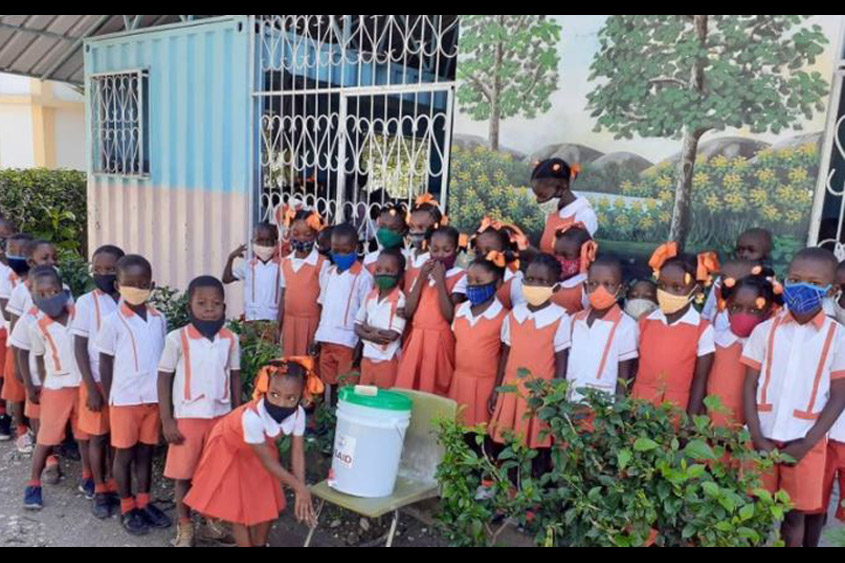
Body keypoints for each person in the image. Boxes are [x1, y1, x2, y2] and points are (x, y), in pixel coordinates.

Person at [742, 247, 845, 547]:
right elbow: (749, 385)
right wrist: (756, 436)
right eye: (795, 279)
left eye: (814, 283)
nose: (802, 288)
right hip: (761, 436)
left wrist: (807, 443)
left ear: (832, 290)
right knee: (754, 510)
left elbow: (839, 395)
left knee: (794, 517)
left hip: (806, 442)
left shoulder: (838, 337)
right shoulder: (764, 331)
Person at [184, 358, 318, 548]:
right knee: (239, 507)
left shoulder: (298, 414)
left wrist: (300, 488)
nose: (281, 403)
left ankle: (260, 543)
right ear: (265, 388)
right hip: (229, 449)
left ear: (302, 396)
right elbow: (268, 463)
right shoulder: (251, 418)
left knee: (268, 500)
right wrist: (298, 487)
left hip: (260, 447)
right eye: (274, 394)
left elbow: (297, 452)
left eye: (291, 398)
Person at [159, 275, 241, 547]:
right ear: (189, 306)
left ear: (224, 307)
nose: (209, 309)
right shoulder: (177, 338)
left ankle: (212, 522)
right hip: (187, 418)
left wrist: (236, 417)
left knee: (216, 474)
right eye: (202, 303)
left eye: (216, 304)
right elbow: (164, 378)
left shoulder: (231, 339)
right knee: (183, 475)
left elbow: (235, 377)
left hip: (220, 418)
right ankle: (185, 526)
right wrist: (167, 420)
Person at [97, 255, 171, 536]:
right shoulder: (112, 322)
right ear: (118, 285)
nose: (137, 288)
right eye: (130, 283)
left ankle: (144, 501)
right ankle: (127, 506)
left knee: (145, 452)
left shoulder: (159, 318)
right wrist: (109, 396)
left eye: (142, 283)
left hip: (152, 398)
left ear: (151, 284)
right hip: (124, 399)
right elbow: (105, 362)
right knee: (124, 454)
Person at [488, 254, 570, 473]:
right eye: (530, 279)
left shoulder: (560, 318)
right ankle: (506, 484)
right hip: (511, 389)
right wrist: (497, 388)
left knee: (536, 443)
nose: (535, 285)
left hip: (539, 394)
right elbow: (505, 354)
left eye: (543, 281)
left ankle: (532, 487)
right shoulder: (514, 314)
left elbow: (561, 362)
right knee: (506, 440)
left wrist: (556, 397)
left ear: (555, 286)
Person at [20, 266, 89, 510]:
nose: (50, 297)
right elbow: (38, 356)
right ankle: (33, 484)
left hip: (81, 385)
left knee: (84, 434)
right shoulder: (37, 326)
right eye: (42, 294)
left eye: (54, 291)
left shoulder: (80, 315)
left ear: (64, 290)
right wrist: (39, 383)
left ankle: (88, 477)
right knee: (46, 437)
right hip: (56, 387)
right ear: (34, 297)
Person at [631, 243, 717, 416]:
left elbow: (700, 380)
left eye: (677, 288)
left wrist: (689, 420)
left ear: (696, 290)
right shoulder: (645, 322)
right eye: (662, 286)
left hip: (676, 409)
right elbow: (633, 366)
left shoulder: (702, 329)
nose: (667, 293)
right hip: (639, 403)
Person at [71, 244, 124, 518]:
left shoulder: (130, 300)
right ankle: (100, 487)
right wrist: (91, 387)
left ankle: (115, 483)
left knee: (118, 437)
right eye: (98, 269)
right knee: (98, 437)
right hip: (96, 381)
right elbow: (80, 346)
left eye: (110, 269)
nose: (103, 274)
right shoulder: (85, 302)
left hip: (123, 384)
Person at [395, 225, 467, 395]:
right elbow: (408, 311)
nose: (440, 255)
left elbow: (450, 316)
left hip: (440, 341)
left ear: (456, 250)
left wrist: (441, 281)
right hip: (417, 338)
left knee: (433, 390)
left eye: (446, 250)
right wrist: (421, 279)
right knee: (409, 387)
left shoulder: (461, 276)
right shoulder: (423, 274)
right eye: (435, 250)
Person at [706, 269, 778, 429]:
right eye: (736, 307)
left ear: (768, 312)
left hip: (749, 429)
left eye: (753, 310)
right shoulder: (714, 340)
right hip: (711, 426)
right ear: (727, 306)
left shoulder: (769, 349)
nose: (743, 315)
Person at [448, 251, 508, 426]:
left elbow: (505, 355)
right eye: (469, 281)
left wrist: (497, 389)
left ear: (498, 283)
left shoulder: (503, 317)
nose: (473, 286)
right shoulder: (460, 310)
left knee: (479, 430)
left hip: (486, 384)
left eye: (479, 281)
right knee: (455, 427)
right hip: (459, 381)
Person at [567, 256, 638, 401]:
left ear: (621, 290)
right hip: (569, 401)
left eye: (608, 284)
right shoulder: (573, 321)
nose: (600, 289)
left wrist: (618, 408)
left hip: (603, 406)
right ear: (585, 287)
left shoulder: (626, 326)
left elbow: (624, 375)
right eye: (593, 283)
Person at [313, 223, 373, 394]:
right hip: (326, 338)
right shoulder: (328, 273)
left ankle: (340, 409)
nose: (339, 255)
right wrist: (317, 336)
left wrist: (359, 345)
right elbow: (323, 305)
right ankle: (328, 408)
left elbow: (366, 313)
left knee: (345, 384)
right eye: (335, 250)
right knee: (327, 382)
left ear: (356, 248)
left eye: (345, 251)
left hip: (348, 341)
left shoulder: (363, 277)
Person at [279, 209, 329, 357]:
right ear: (289, 233)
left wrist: (319, 334)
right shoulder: (285, 262)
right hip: (289, 323)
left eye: (307, 234)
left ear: (315, 236)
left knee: (308, 364)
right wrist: (278, 326)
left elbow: (324, 302)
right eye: (296, 233)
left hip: (311, 324)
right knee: (289, 364)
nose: (301, 238)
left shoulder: (321, 264)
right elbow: (283, 295)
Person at [354, 248, 406, 388]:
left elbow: (392, 335)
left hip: (387, 360)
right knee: (365, 394)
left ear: (400, 275)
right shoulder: (370, 296)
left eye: (389, 271)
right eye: (378, 269)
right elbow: (357, 326)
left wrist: (367, 328)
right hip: (367, 357)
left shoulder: (400, 300)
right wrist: (370, 335)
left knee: (384, 396)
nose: (382, 274)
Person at [0, 233, 32, 446]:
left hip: (39, 343)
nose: (16, 255)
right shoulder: (7, 277)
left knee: (34, 387)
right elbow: (7, 311)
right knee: (17, 390)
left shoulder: (42, 277)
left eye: (22, 252)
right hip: (16, 341)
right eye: (12, 251)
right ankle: (21, 431)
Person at [531, 158, 597, 254]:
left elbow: (580, 257)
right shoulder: (552, 210)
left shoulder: (584, 215)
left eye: (543, 196)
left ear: (563, 187)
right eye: (537, 195)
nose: (539, 201)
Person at [223, 222, 281, 326]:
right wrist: (231, 258)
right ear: (253, 242)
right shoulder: (248, 265)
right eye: (260, 240)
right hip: (252, 319)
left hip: (273, 320)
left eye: (268, 241)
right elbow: (226, 279)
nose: (264, 245)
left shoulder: (282, 266)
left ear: (276, 243)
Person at [471, 217, 527, 309]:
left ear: (504, 251)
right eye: (478, 251)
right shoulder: (471, 275)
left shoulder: (514, 282)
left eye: (489, 251)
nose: (483, 256)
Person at [551, 224, 595, 314]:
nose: (559, 260)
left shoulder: (585, 287)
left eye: (567, 256)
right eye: (556, 254)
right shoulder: (548, 276)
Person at [404, 194, 443, 293]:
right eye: (412, 227)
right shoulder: (408, 255)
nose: (415, 232)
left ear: (435, 228)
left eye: (421, 227)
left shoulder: (435, 261)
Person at [0, 217, 16, 440]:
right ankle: (3, 417)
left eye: (6, 237)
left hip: (15, 330)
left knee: (11, 375)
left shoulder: (21, 265)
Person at [363, 202, 408, 275]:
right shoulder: (369, 260)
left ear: (403, 231)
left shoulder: (409, 260)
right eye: (383, 227)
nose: (386, 231)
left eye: (393, 228)